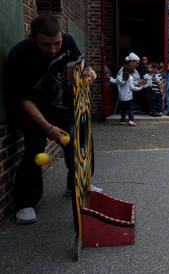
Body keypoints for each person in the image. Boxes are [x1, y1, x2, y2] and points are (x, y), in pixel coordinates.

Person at [5, 15, 99, 224]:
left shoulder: (68, 42)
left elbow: (80, 66)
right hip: (34, 110)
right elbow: (23, 99)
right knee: (35, 147)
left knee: (81, 139)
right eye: (46, 44)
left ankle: (77, 184)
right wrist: (48, 128)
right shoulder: (20, 55)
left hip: (63, 107)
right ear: (32, 38)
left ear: (62, 35)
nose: (53, 49)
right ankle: (26, 202)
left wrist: (89, 72)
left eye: (57, 42)